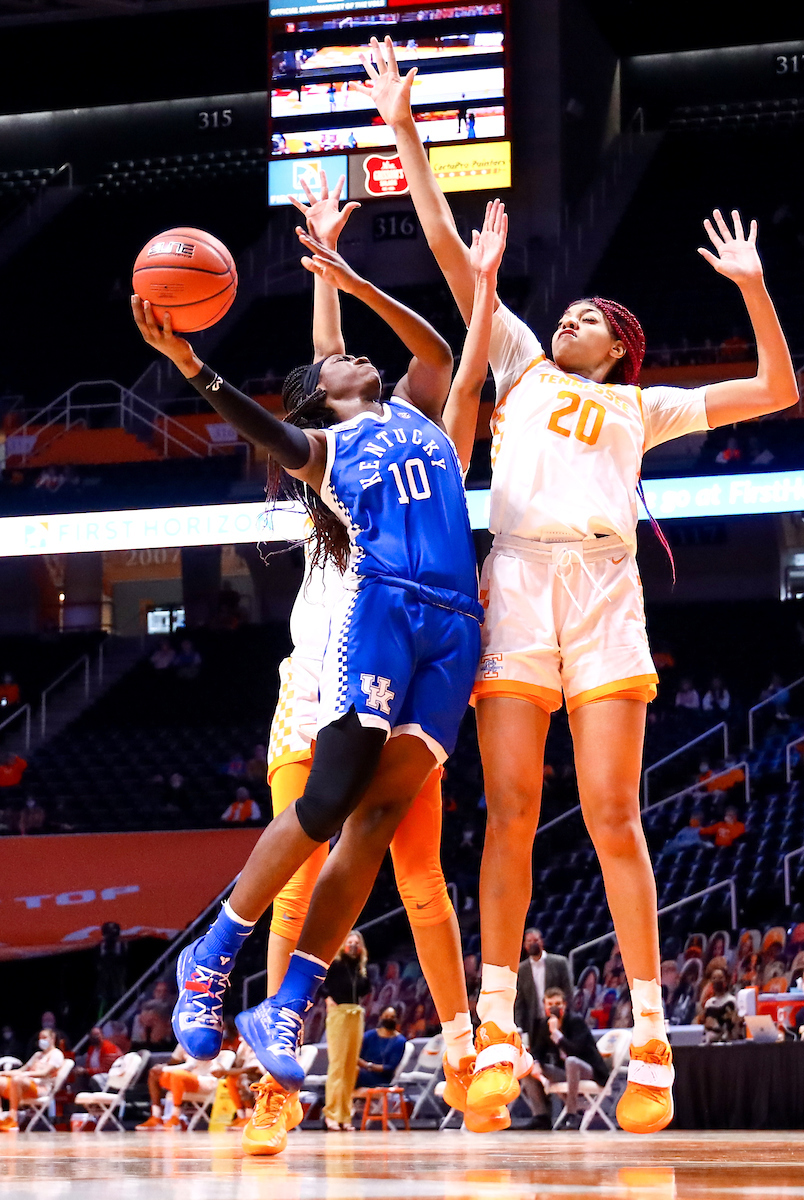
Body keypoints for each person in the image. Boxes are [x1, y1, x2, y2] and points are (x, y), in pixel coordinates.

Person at [354, 35, 799, 1136]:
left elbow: (779, 388)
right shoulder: (517, 363)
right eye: (570, 313)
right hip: (516, 585)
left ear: (623, 348)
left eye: (592, 318)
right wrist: (406, 132)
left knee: (613, 816)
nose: (571, 320)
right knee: (508, 813)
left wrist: (751, 290)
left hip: (604, 593)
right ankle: (497, 1027)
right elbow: (460, 259)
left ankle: (650, 1038)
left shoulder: (642, 410)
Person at [131, 190, 505, 1130]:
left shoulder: (420, 415)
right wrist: (196, 366)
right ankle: (217, 954)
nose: (346, 359)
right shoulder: (327, 453)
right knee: (330, 807)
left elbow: (436, 351)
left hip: (454, 626)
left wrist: (345, 277)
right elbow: (290, 405)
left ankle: (286, 1008)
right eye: (335, 364)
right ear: (323, 400)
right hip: (364, 627)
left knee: (385, 827)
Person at [519, 987, 609, 1130]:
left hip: (588, 1071)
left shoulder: (576, 1021)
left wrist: (556, 1034)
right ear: (544, 1006)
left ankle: (572, 1114)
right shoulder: (544, 1025)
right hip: (565, 1073)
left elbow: (576, 1051)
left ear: (564, 1005)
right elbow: (538, 1051)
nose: (554, 1007)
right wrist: (536, 1063)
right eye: (550, 1004)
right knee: (527, 1067)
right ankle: (541, 1116)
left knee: (571, 1061)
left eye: (558, 1003)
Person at [319, 930, 372, 1131]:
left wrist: (362, 967)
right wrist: (327, 998)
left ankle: (345, 1115)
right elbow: (319, 981)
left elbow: (366, 989)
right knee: (338, 1065)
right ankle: (331, 1113)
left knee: (351, 1066)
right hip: (339, 1012)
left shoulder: (359, 967)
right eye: (349, 942)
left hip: (356, 1013)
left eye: (356, 943)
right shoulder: (335, 963)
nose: (352, 945)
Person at [135, 1042, 236, 1131]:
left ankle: (176, 1117)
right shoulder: (183, 1042)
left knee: (177, 1074)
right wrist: (161, 1068)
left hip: (206, 1081)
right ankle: (156, 1117)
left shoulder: (202, 1041)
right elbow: (173, 1062)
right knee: (154, 1073)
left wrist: (164, 1069)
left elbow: (190, 1066)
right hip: (187, 1080)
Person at [515, 928, 574, 1047]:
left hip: (558, 1019)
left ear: (542, 941)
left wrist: (567, 1017)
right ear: (525, 946)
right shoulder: (521, 969)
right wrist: (519, 1026)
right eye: (529, 941)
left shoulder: (560, 963)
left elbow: (568, 992)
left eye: (535, 940)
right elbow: (520, 1002)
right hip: (534, 1024)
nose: (532, 943)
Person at [0, 1028, 64, 1130]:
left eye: (44, 1037)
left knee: (17, 1080)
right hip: (24, 1084)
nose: (41, 1040)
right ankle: (1, 1117)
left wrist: (26, 1075)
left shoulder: (56, 1054)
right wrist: (3, 1073)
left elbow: (45, 1073)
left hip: (40, 1088)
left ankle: (13, 1118)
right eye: (40, 1038)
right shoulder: (37, 1055)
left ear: (52, 1039)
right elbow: (21, 1070)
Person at [356, 1006, 407, 1088]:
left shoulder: (400, 1041)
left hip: (382, 1078)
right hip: (362, 1072)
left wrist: (368, 1065)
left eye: (392, 1017)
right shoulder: (369, 1035)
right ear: (380, 1018)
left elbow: (390, 1067)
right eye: (386, 1016)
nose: (389, 1019)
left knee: (354, 1072)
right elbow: (358, 1055)